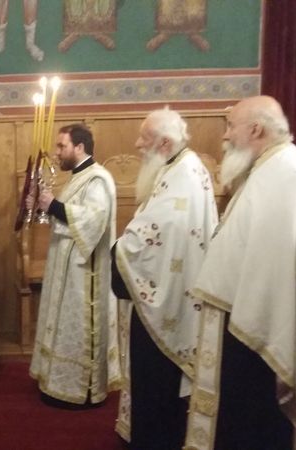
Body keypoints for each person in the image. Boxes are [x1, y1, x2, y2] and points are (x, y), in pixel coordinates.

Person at [185, 96, 296, 450]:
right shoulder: (269, 169)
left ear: (256, 129)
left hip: (260, 328)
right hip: (243, 319)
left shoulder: (290, 175)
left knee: (256, 422)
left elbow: (278, 266)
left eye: (231, 127)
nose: (225, 136)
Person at [111, 108, 218, 449]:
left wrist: (119, 249)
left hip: (168, 299)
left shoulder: (184, 174)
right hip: (169, 289)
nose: (137, 144)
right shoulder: (178, 168)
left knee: (157, 382)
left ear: (165, 143)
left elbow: (159, 231)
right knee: (156, 384)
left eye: (144, 138)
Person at [26, 124, 118, 407]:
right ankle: (58, 383)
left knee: (79, 331)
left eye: (62, 146)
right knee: (63, 327)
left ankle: (82, 391)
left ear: (79, 147)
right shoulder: (79, 177)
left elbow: (94, 220)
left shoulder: (98, 179)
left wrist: (53, 205)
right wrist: (42, 206)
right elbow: (64, 218)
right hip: (66, 270)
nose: (57, 152)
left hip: (84, 274)